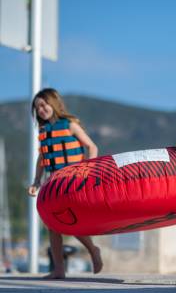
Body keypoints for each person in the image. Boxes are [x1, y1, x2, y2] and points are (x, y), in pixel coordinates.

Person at [28, 88, 103, 279]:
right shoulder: (44, 131)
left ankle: (93, 250)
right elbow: (43, 157)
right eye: (37, 108)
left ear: (53, 103)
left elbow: (91, 146)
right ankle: (59, 269)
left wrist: (88, 170)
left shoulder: (70, 125)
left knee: (71, 223)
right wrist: (36, 181)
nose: (41, 110)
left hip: (72, 181)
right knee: (52, 226)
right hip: (53, 183)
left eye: (44, 105)